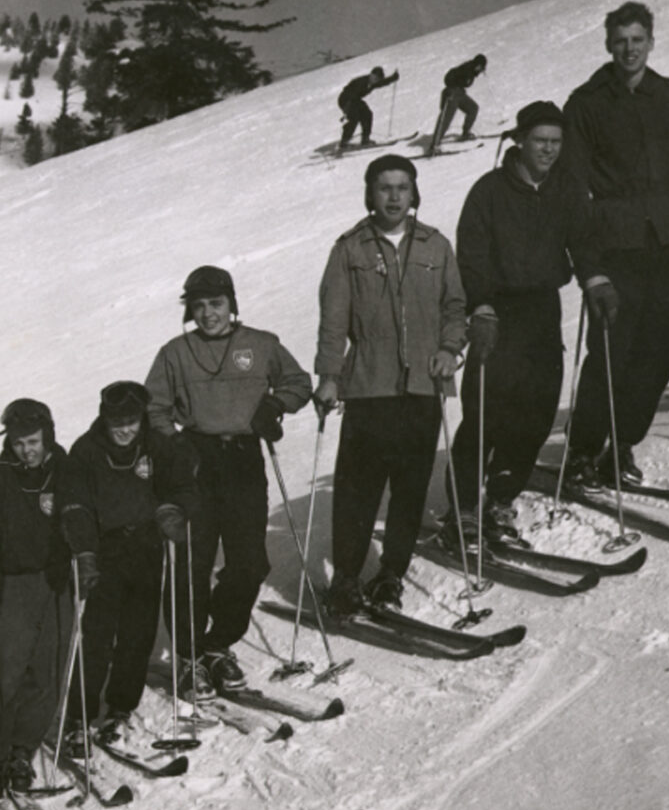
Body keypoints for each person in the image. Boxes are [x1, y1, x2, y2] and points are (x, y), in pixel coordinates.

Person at [562, 1, 669, 488]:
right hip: (616, 240)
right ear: (609, 45)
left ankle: (621, 444)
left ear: (651, 41)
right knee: (612, 349)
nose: (629, 49)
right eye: (621, 40)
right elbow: (570, 180)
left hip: (667, 236)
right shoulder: (586, 102)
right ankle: (583, 450)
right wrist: (589, 257)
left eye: (638, 39)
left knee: (658, 346)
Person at [448, 102, 610, 548]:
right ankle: (461, 510)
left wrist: (595, 279)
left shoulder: (567, 188)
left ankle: (500, 498)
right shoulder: (489, 191)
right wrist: (479, 307)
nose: (549, 150)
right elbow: (471, 255)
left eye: (556, 143)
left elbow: (583, 240)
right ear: (520, 141)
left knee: (537, 410)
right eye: (540, 141)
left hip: (542, 309)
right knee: (486, 413)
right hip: (496, 313)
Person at [145, 266, 311, 691]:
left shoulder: (259, 344)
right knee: (191, 564)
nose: (208, 314)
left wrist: (274, 406)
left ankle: (217, 644)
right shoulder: (175, 353)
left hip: (242, 459)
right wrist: (176, 446)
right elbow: (154, 408)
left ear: (231, 304)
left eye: (216, 304)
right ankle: (189, 655)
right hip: (195, 461)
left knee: (249, 562)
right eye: (198, 307)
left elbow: (298, 382)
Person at [314, 155, 468, 613]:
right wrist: (328, 376)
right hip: (368, 388)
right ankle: (345, 578)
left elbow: (455, 308)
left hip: (423, 387)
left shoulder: (436, 246)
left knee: (409, 488)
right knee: (357, 490)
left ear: (414, 192)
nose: (395, 196)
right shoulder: (349, 249)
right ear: (371, 193)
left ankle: (390, 576)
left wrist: (449, 348)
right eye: (385, 188)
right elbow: (333, 320)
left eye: (403, 187)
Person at [57, 382, 198, 733]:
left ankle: (121, 707)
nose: (124, 429)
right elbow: (76, 506)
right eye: (117, 421)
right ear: (104, 418)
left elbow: (182, 485)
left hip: (147, 548)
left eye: (131, 420)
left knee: (138, 633)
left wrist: (172, 510)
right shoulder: (87, 451)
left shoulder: (157, 445)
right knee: (98, 637)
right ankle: (79, 714)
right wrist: (85, 553)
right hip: (105, 551)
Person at [0, 400, 70, 796]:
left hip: (58, 580)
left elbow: (83, 510)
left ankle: (22, 750)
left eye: (34, 441)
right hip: (14, 583)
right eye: (19, 442)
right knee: (7, 671)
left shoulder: (65, 468)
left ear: (48, 436)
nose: (27, 450)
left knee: (48, 671)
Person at [431, 54, 487, 152]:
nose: (482, 70)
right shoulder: (466, 69)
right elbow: (449, 78)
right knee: (446, 119)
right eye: (482, 68)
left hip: (459, 94)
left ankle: (466, 133)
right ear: (478, 65)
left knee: (473, 108)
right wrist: (450, 91)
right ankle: (435, 145)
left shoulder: (471, 70)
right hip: (451, 94)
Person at [336, 65, 400, 150]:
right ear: (371, 75)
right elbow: (350, 94)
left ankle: (365, 139)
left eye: (377, 79)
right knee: (354, 118)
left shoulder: (372, 83)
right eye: (374, 78)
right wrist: (346, 111)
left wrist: (393, 78)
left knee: (367, 114)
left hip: (356, 100)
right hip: (346, 100)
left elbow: (381, 83)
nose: (375, 81)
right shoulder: (361, 82)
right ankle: (344, 142)